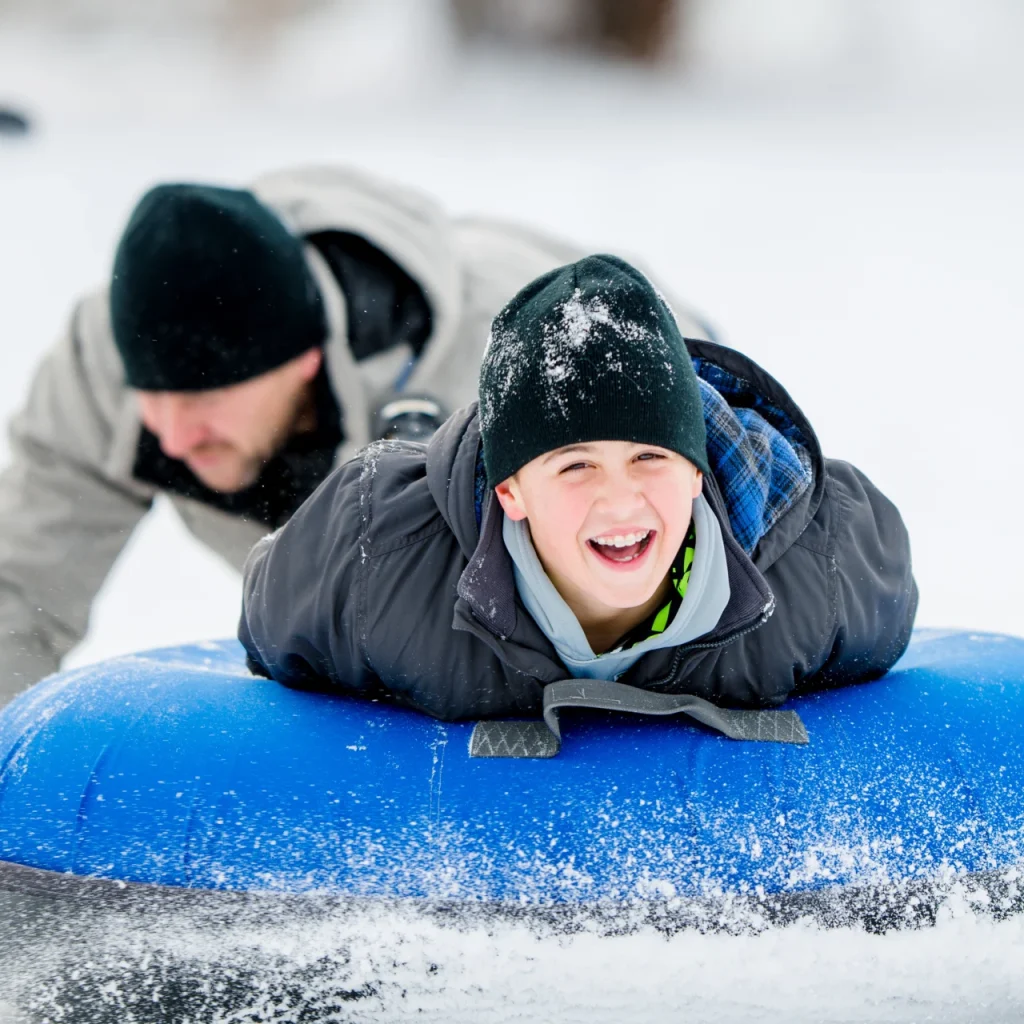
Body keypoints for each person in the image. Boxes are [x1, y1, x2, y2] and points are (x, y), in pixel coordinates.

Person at [0, 169, 714, 703]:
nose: (173, 432)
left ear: (301, 363)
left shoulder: (517, 366)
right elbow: (19, 585)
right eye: (150, 396)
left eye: (207, 399)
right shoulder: (106, 366)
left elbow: (698, 484)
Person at [239, 255, 918, 725]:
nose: (620, 502)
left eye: (650, 456)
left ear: (695, 469)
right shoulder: (380, 558)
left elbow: (892, 599)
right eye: (575, 466)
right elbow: (268, 611)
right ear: (510, 493)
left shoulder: (815, 565)